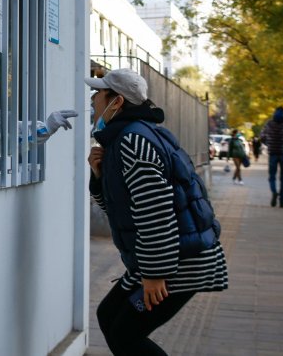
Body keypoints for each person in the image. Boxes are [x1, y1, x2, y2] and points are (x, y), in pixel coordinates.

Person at [87, 69, 228, 355]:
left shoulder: (133, 142)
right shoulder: (126, 138)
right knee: (109, 316)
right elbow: (120, 210)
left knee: (126, 335)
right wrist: (98, 175)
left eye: (99, 93)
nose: (93, 99)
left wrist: (155, 274)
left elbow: (156, 213)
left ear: (117, 102)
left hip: (177, 260)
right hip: (167, 255)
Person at [261, 106, 283, 208]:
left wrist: (269, 145)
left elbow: (262, 137)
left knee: (272, 176)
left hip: (272, 154)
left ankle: (274, 192)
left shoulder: (269, 124)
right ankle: (282, 201)